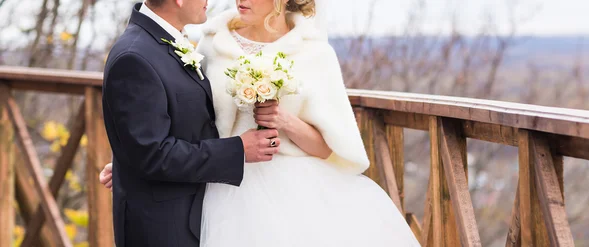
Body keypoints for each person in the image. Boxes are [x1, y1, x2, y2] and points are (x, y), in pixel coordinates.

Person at [101, 0, 422, 246]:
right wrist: (129, 160)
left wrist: (284, 121)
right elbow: (179, 111)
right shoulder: (213, 41)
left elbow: (331, 147)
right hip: (221, 188)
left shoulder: (315, 53)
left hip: (297, 192)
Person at [101, 0, 280, 246]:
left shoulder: (166, 41)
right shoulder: (135, 57)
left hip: (193, 215)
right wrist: (238, 150)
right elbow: (154, 155)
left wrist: (128, 162)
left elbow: (150, 140)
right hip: (162, 228)